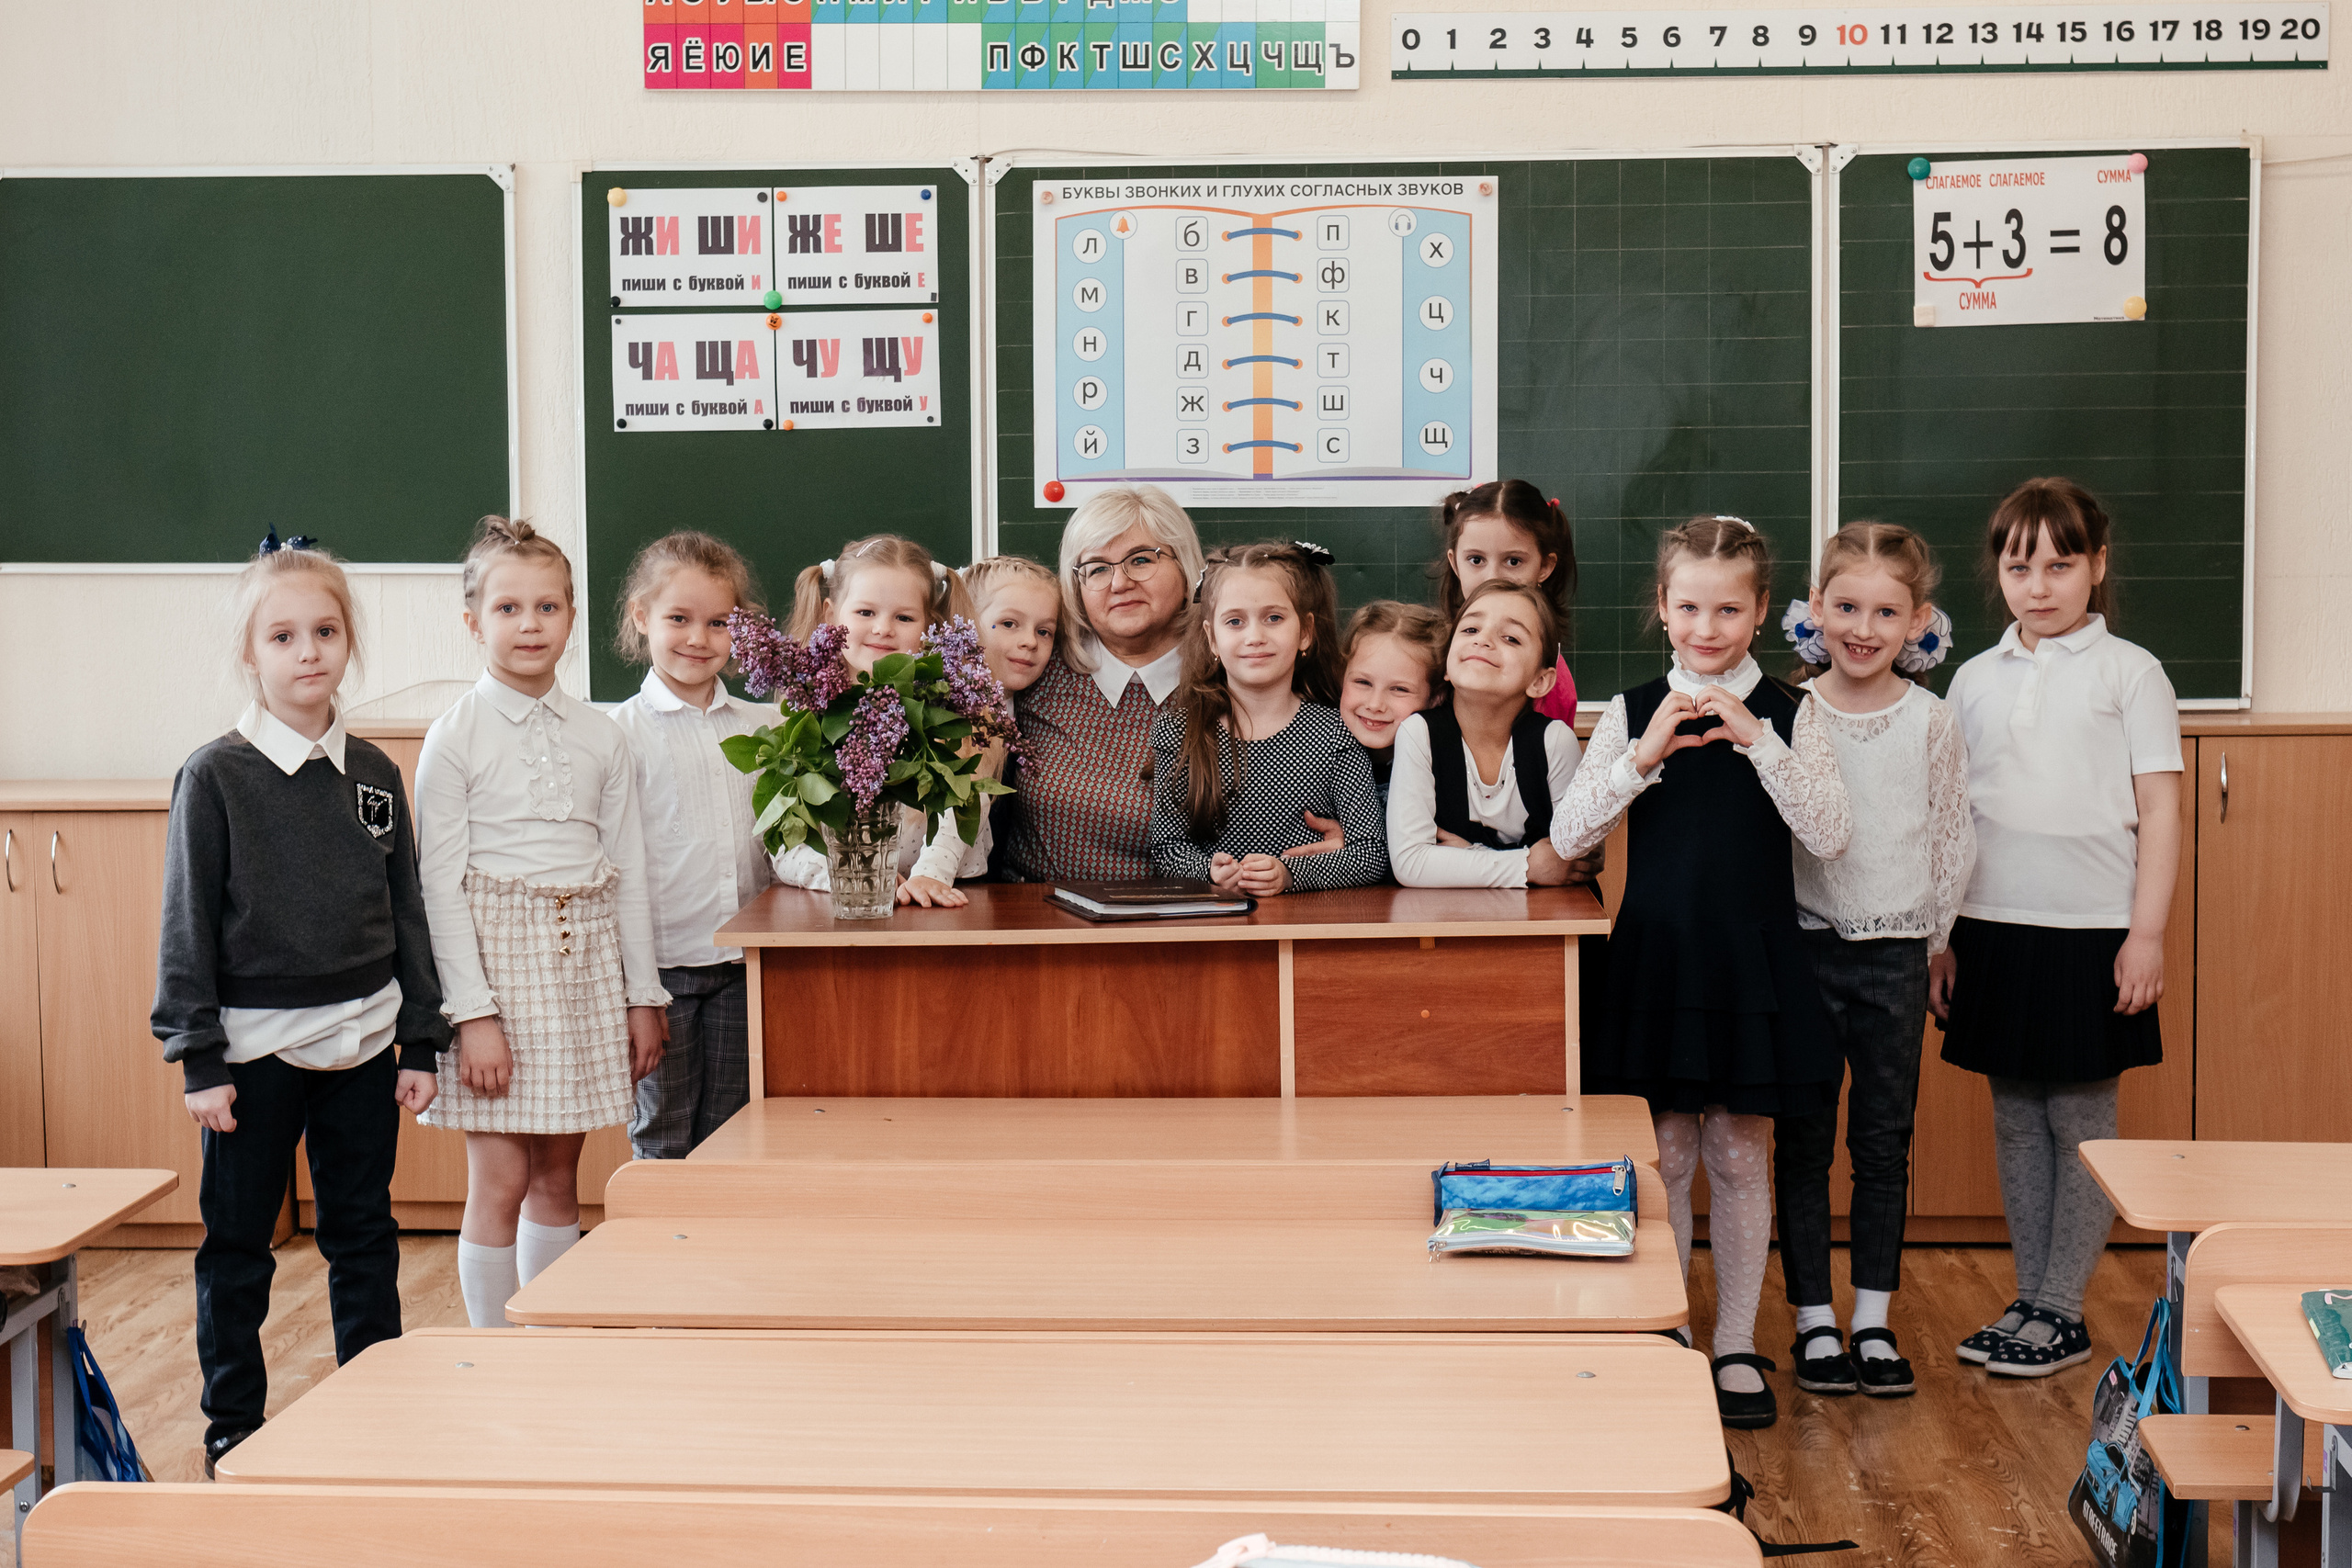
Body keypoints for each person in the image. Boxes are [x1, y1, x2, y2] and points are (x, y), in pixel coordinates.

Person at [1548, 514, 1851, 1429]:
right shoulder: (1632, 709)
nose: (1706, 627)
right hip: (1657, 959)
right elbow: (1569, 835)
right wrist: (1640, 759)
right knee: (1669, 1153)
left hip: (1750, 960)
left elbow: (1831, 833)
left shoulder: (1794, 713)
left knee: (1739, 1154)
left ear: (1759, 611)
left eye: (1727, 609)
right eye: (1689, 608)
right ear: (1662, 606)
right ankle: (1671, 1329)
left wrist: (1759, 740)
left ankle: (1737, 1345)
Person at [153, 537, 447, 1477]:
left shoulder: (374, 774)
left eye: (325, 631)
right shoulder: (215, 776)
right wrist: (199, 1057)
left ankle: (377, 1409)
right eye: (282, 636)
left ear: (347, 643)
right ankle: (233, 1425)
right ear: (251, 654)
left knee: (363, 1234)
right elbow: (186, 923)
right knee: (237, 1247)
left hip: (364, 1043)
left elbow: (405, 909)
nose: (307, 651)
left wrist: (420, 1038)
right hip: (251, 1055)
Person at [1937, 478, 2180, 1379]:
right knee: (2014, 1116)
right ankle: (2030, 1297)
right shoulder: (1972, 678)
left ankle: (2062, 1308)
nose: (2038, 586)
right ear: (1997, 574)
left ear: (2098, 564)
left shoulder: (2131, 672)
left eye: (2060, 564)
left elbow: (2161, 811)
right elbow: (1947, 818)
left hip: (2092, 931)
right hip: (1991, 925)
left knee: (2079, 1117)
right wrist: (1941, 937)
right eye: (2018, 567)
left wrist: (2144, 935)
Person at [416, 516, 671, 1329]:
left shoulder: (600, 733)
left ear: (571, 615)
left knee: (560, 1178)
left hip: (582, 970)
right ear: (473, 622)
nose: (530, 624)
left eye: (548, 607)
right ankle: (495, 1351)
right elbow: (438, 887)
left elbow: (628, 871)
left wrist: (642, 995)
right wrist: (473, 1016)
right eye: (508, 608)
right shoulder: (454, 736)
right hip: (496, 980)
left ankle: (549, 1343)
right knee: (500, 1180)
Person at [1770, 523, 1974, 1399]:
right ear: (1816, 608)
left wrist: (1936, 940)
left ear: (1918, 619)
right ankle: (1814, 1320)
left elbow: (1952, 837)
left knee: (1884, 1141)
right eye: (1847, 607)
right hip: (1806, 949)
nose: (1863, 628)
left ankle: (1873, 1319)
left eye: (1886, 612)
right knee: (1805, 1141)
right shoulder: (1791, 711)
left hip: (1896, 955)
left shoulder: (1931, 718)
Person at [609, 530, 773, 1160]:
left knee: (733, 1133)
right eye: (679, 618)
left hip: (744, 965)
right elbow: (615, 871)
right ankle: (658, 1229)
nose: (699, 639)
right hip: (661, 975)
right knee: (662, 1129)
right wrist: (637, 992)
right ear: (641, 616)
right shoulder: (618, 735)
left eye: (718, 622)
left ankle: (722, 1230)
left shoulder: (764, 727)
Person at [1147, 541, 1389, 895]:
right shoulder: (1180, 731)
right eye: (1235, 622)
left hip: (1308, 921)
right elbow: (1166, 850)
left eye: (1273, 618)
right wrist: (1208, 871)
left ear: (1305, 632)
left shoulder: (1336, 732)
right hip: (1219, 921)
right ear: (1212, 638)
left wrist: (1291, 874)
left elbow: (1371, 853)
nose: (1255, 637)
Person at [995, 485, 1204, 882]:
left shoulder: (1229, 678)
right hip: (1033, 909)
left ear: (1186, 570)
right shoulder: (1036, 664)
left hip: (1183, 912)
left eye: (1141, 560)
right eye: (1097, 569)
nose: (1119, 583)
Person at [769, 534, 986, 904]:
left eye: (904, 617)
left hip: (942, 906)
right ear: (830, 615)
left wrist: (930, 876)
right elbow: (786, 849)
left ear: (930, 625)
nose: (884, 628)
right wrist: (858, 877)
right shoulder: (802, 720)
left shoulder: (948, 715)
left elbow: (961, 809)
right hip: (839, 908)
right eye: (865, 613)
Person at [1387, 581, 1584, 888]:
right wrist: (1528, 866)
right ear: (1447, 665)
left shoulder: (1555, 743)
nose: (1483, 640)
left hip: (1546, 915)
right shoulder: (1419, 734)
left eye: (1511, 638)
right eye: (1470, 630)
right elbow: (1410, 862)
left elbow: (1572, 860)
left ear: (1540, 681)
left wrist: (1466, 857)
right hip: (1449, 914)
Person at [895, 554, 1061, 904]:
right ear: (965, 625)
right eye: (1009, 624)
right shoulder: (937, 713)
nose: (1030, 641)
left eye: (1044, 631)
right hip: (923, 891)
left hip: (991, 903)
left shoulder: (1041, 716)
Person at [1432, 479, 1580, 723]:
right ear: (1455, 563)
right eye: (1476, 560)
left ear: (1544, 566)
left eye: (1513, 561)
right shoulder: (1429, 652)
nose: (1493, 578)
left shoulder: (1549, 676)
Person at [1338, 600, 1449, 804]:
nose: (1375, 705)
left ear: (1436, 697)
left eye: (1399, 689)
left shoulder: (1441, 766)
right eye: (1363, 682)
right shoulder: (1317, 750)